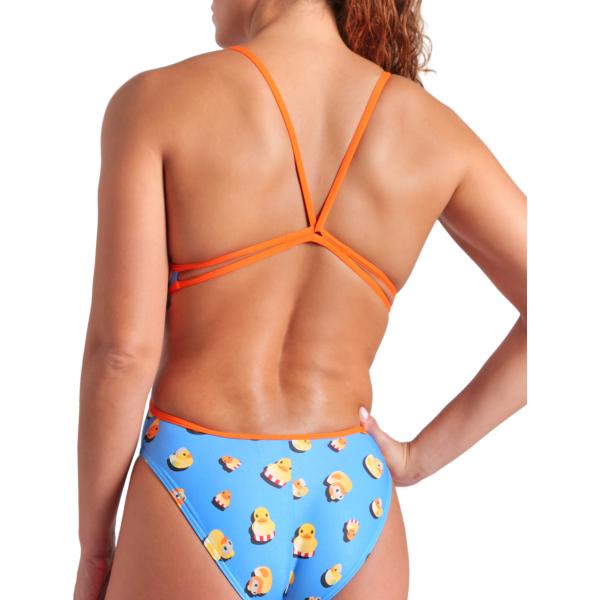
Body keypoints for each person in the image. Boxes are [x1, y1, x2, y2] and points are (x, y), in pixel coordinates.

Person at [74, 1, 526, 599]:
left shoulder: (154, 103)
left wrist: (95, 549)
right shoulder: (435, 131)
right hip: (354, 492)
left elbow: (122, 355)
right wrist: (415, 459)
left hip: (199, 479)